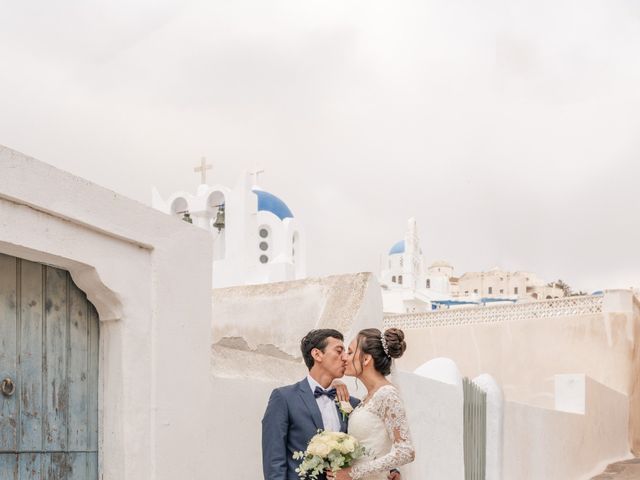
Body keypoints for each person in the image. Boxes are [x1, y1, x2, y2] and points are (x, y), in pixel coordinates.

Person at [261, 329, 401, 480]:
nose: (345, 358)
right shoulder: (284, 398)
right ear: (317, 354)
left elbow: (369, 439)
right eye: (339, 351)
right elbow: (274, 461)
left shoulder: (353, 403)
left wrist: (391, 469)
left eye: (347, 352)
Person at [328, 328, 415, 480]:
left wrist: (353, 472)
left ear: (366, 359)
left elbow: (406, 451)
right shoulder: (367, 398)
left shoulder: (387, 394)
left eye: (349, 352)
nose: (344, 358)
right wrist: (334, 383)